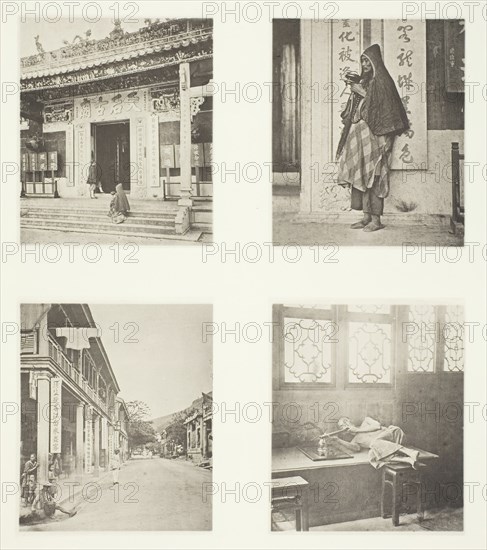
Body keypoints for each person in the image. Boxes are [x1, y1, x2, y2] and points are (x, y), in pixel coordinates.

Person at [337, 44, 409, 232]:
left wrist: (361, 92)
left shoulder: (383, 82)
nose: (364, 64)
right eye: (362, 60)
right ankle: (366, 217)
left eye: (367, 60)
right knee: (361, 175)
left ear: (375, 62)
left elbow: (384, 110)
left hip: (376, 138)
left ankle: (376, 220)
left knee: (375, 177)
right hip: (360, 138)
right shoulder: (366, 80)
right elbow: (358, 108)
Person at [324, 417, 421, 469]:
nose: (344, 426)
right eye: (341, 426)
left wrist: (358, 430)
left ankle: (410, 452)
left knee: (374, 444)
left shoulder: (366, 421)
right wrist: (337, 440)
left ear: (351, 421)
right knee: (372, 456)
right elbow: (356, 448)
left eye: (345, 422)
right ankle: (409, 460)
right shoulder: (355, 440)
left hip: (394, 435)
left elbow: (377, 426)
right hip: (385, 448)